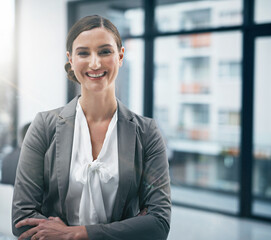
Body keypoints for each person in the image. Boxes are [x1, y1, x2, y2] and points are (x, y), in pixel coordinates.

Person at [12, 15, 171, 240]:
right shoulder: (43, 126)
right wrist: (129, 227)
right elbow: (22, 222)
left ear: (120, 56)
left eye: (105, 51)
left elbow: (158, 225)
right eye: (83, 53)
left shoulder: (147, 133)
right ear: (71, 59)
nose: (94, 63)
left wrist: (75, 233)